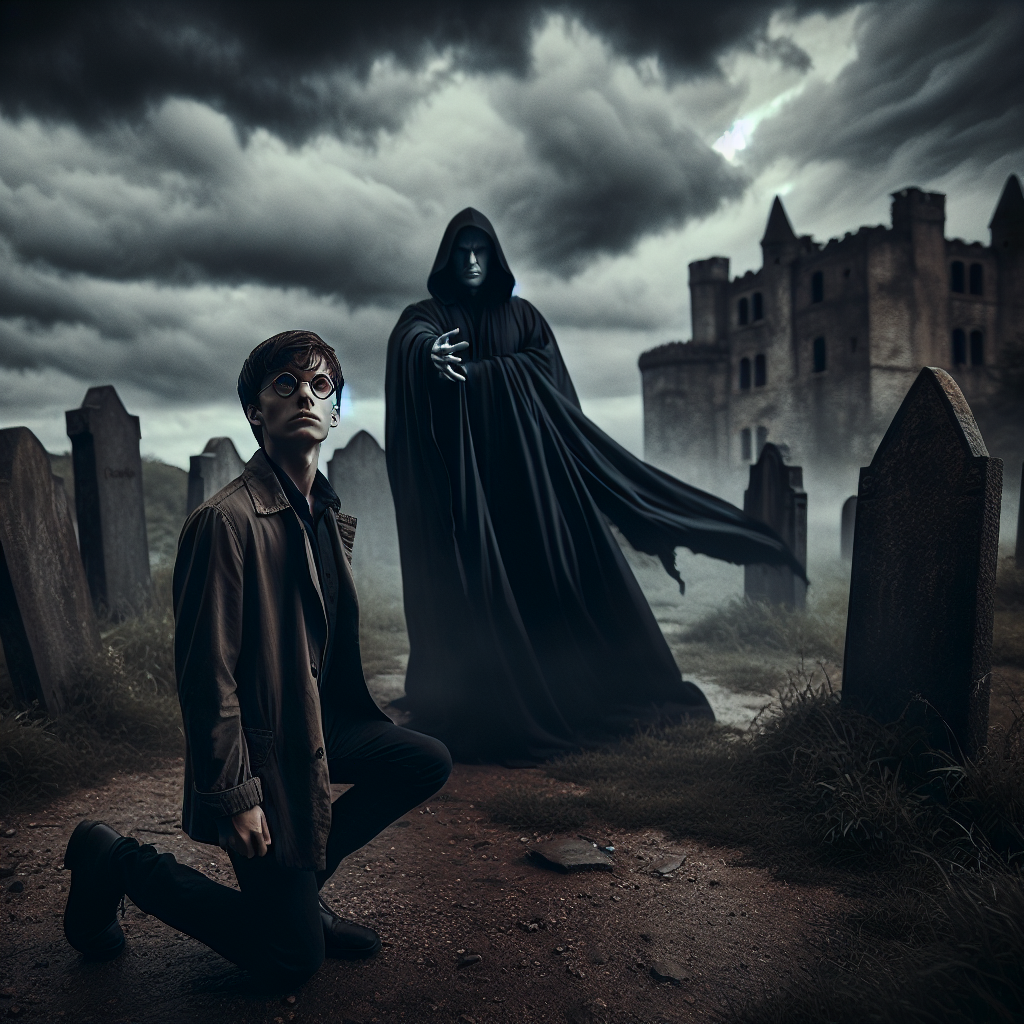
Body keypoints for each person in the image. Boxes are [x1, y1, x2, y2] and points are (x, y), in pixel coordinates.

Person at [62, 330, 452, 989]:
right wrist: (237, 795)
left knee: (424, 762)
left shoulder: (323, 514)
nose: (305, 393)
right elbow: (204, 676)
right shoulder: (226, 522)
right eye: (285, 384)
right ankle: (116, 859)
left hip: (319, 731)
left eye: (320, 386)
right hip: (265, 751)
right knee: (291, 960)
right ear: (255, 412)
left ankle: (295, 892)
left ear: (333, 414)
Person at [386, 208, 806, 764]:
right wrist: (426, 353)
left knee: (544, 588)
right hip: (467, 497)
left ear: (495, 257)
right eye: (461, 251)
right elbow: (411, 338)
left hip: (530, 492)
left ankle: (564, 686)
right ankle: (477, 696)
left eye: (480, 251)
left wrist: (489, 377)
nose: (470, 261)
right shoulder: (429, 316)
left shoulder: (526, 319)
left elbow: (555, 396)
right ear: (446, 258)